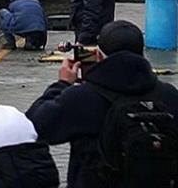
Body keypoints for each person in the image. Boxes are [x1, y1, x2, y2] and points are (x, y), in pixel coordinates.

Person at [27, 20, 178, 188]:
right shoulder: (169, 95)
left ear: (98, 56)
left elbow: (33, 125)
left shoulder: (82, 98)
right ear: (141, 54)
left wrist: (62, 84)